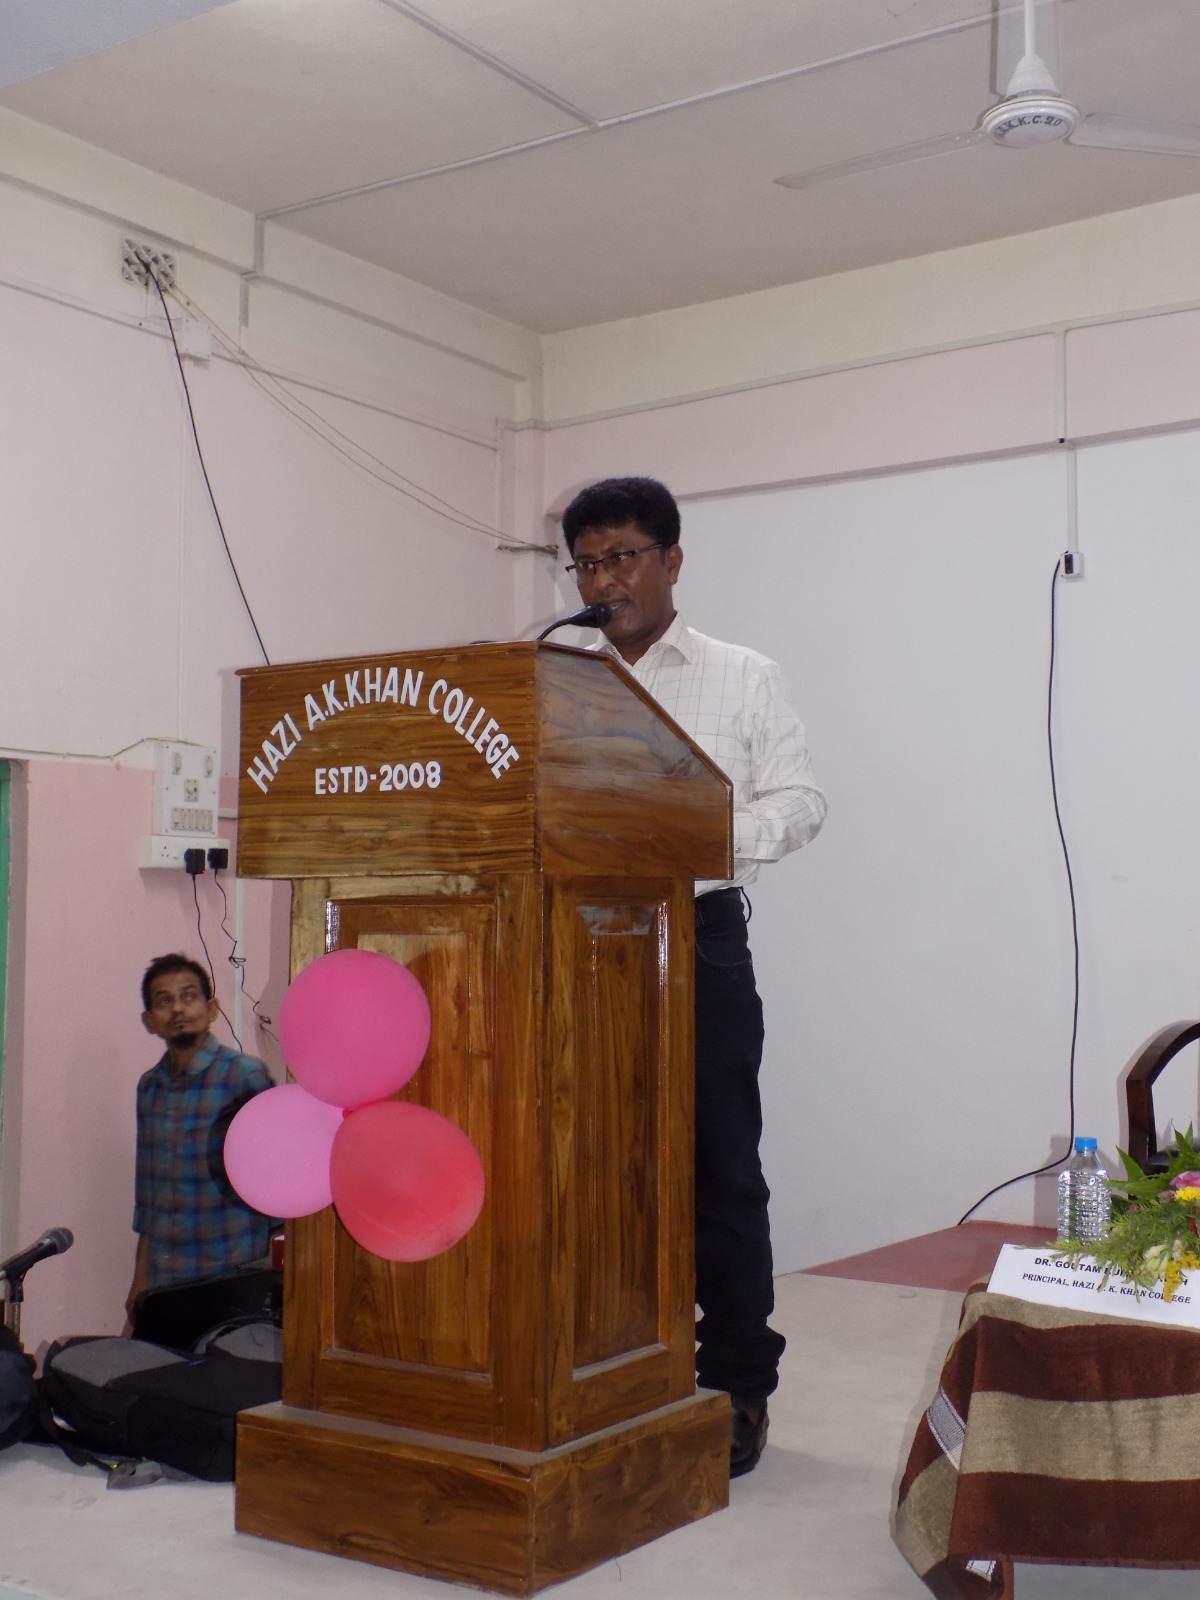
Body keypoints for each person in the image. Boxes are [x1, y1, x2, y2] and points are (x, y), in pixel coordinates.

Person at [560, 477, 826, 1478]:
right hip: (576, 944)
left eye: (622, 557)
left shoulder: (741, 675)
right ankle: (616, 1364)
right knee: (598, 1165)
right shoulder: (556, 676)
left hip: (698, 938)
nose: (603, 580)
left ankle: (738, 1382)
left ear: (672, 560)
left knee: (721, 1170)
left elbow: (802, 802)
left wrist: (702, 828)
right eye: (587, 563)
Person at [125, 954, 275, 1329]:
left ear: (212, 1009)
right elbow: (148, 1196)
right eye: (164, 1000)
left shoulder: (245, 1076)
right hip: (165, 1279)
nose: (178, 1008)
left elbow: (277, 1184)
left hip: (232, 1274)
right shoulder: (149, 1087)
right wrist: (139, 1280)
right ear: (149, 1021)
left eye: (189, 996)